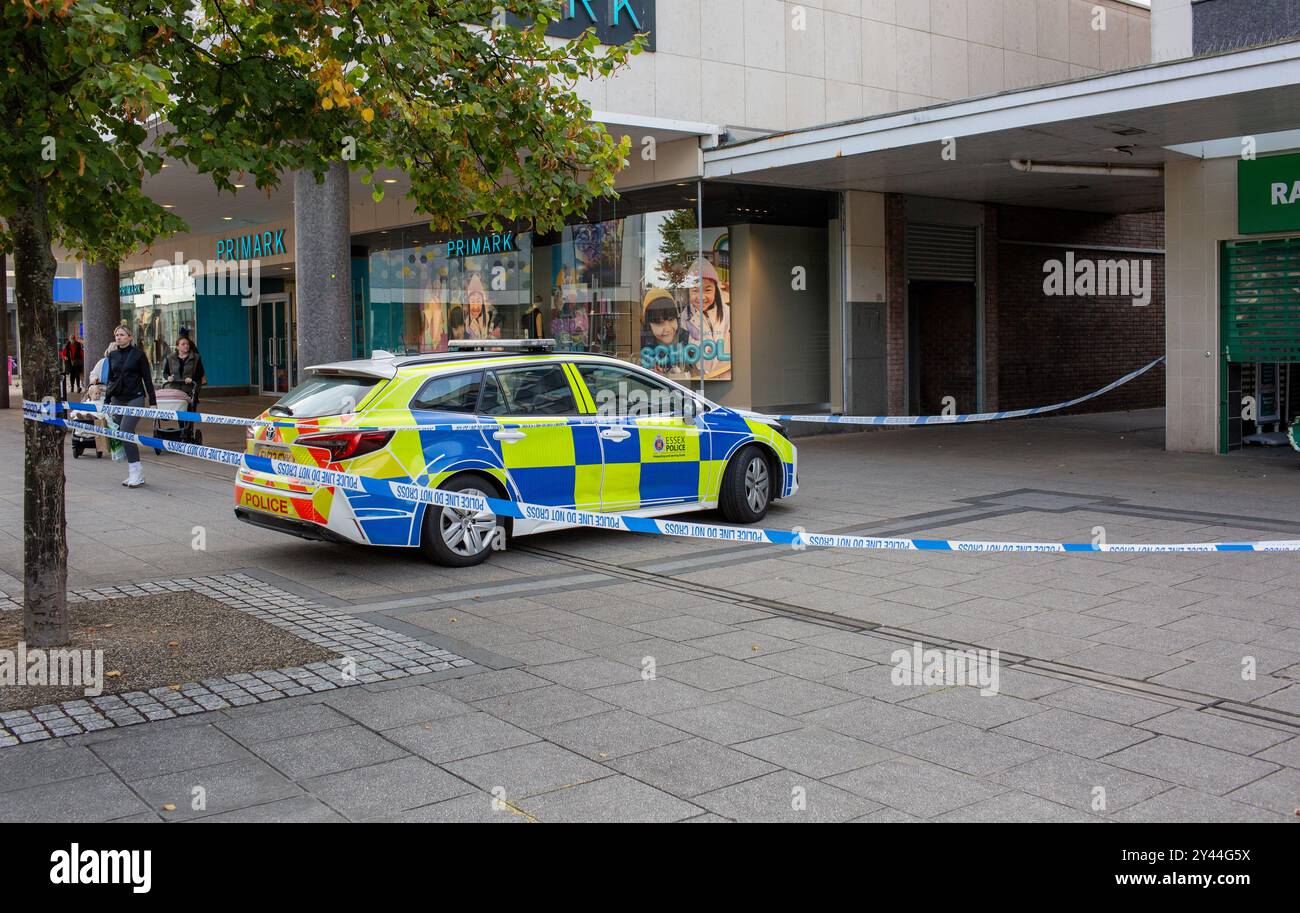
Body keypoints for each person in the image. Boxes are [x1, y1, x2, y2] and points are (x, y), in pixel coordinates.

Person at [103, 324, 157, 488]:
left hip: (135, 397)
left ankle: (136, 472)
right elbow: (110, 379)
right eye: (116, 335)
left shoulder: (138, 355)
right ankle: (135, 471)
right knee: (123, 433)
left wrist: (153, 402)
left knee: (126, 431)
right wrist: (106, 401)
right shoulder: (112, 355)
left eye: (122, 335)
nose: (118, 337)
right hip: (117, 398)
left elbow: (147, 379)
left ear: (130, 337)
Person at [683, 258, 731, 379]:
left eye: (708, 290)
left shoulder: (728, 313)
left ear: (716, 290)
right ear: (688, 292)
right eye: (695, 290)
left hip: (727, 375)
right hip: (701, 379)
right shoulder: (686, 317)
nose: (701, 297)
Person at [640, 288, 691, 380]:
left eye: (671, 319)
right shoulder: (642, 345)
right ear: (648, 325)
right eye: (659, 323)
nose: (667, 329)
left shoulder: (688, 339)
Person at [162, 334, 204, 430]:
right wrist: (168, 377)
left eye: (187, 344)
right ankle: (182, 431)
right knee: (180, 414)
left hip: (190, 390)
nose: (186, 346)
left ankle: (189, 431)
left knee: (189, 413)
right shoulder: (170, 358)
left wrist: (192, 379)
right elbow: (165, 373)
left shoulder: (196, 357)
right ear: (177, 347)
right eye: (183, 344)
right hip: (176, 391)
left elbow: (200, 373)